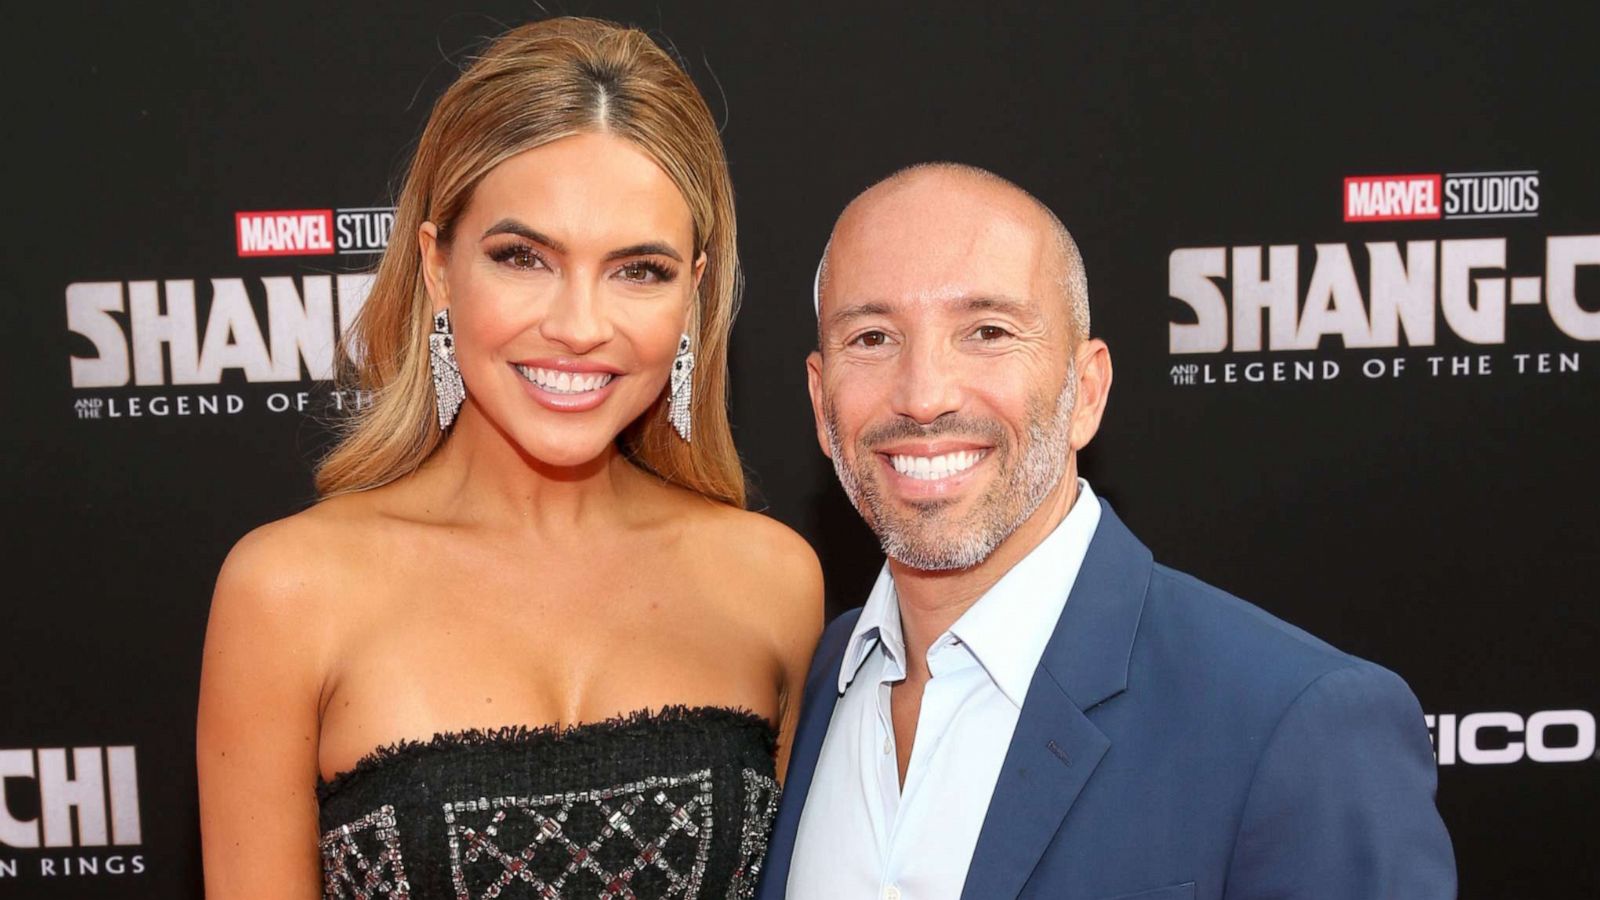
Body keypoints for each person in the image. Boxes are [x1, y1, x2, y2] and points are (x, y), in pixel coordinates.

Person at [196, 18, 821, 900]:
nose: (578, 325)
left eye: (638, 270)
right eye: (523, 257)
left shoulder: (772, 581)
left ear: (695, 291)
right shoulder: (289, 591)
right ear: (438, 266)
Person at [761, 163, 1456, 899]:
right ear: (819, 401)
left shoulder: (1296, 726)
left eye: (987, 331)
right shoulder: (807, 688)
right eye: (872, 338)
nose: (924, 395)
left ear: (1086, 391)